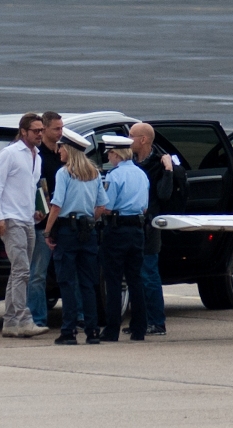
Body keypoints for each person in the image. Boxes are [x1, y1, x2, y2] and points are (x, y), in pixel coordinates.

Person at [0, 113, 49, 339]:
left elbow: (30, 188)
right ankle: (24, 320)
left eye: (41, 130)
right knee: (22, 270)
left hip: (27, 219)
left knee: (19, 272)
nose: (40, 134)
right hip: (11, 218)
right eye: (36, 131)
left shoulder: (37, 156)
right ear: (23, 131)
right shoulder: (9, 153)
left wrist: (36, 211)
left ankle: (11, 322)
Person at [42, 128, 107, 345]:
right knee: (88, 283)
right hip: (88, 232)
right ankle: (92, 331)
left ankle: (68, 331)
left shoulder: (64, 173)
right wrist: (89, 220)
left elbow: (56, 205)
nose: (58, 151)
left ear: (69, 150)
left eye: (61, 147)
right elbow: (101, 206)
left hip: (67, 231)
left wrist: (48, 230)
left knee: (67, 282)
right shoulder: (94, 173)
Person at [99, 135, 149, 342]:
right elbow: (145, 207)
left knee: (113, 280)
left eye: (109, 154)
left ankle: (112, 329)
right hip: (137, 229)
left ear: (116, 154)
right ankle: (139, 328)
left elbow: (107, 207)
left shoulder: (114, 176)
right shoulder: (141, 174)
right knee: (135, 279)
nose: (108, 158)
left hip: (117, 229)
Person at [129, 122, 171, 335]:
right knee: (135, 274)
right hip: (133, 224)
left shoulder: (158, 163)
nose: (128, 140)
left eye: (131, 136)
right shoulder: (131, 163)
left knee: (149, 273)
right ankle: (141, 320)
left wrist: (169, 170)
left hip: (151, 225)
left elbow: (164, 194)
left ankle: (157, 321)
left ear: (143, 139)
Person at [27, 111, 64, 328]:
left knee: (68, 274)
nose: (60, 132)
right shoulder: (36, 156)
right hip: (42, 223)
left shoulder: (63, 155)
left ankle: (76, 317)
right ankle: (37, 318)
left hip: (63, 223)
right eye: (56, 129)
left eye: (61, 128)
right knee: (37, 275)